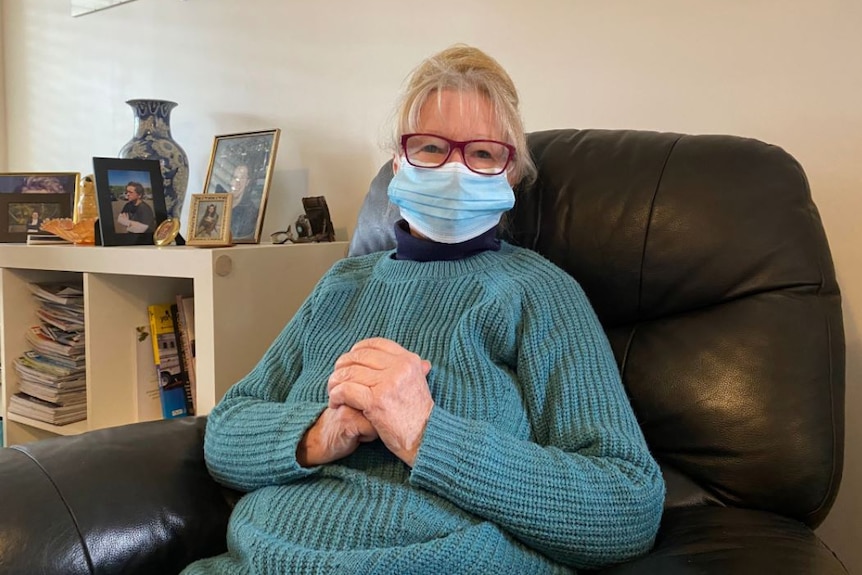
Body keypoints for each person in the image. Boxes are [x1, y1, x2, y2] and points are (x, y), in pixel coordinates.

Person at [182, 45, 664, 575]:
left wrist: (425, 433)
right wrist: (318, 433)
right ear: (398, 163)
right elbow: (225, 434)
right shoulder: (343, 283)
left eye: (482, 154)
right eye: (431, 147)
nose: (455, 169)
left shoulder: (541, 294)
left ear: (510, 175)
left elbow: (627, 506)